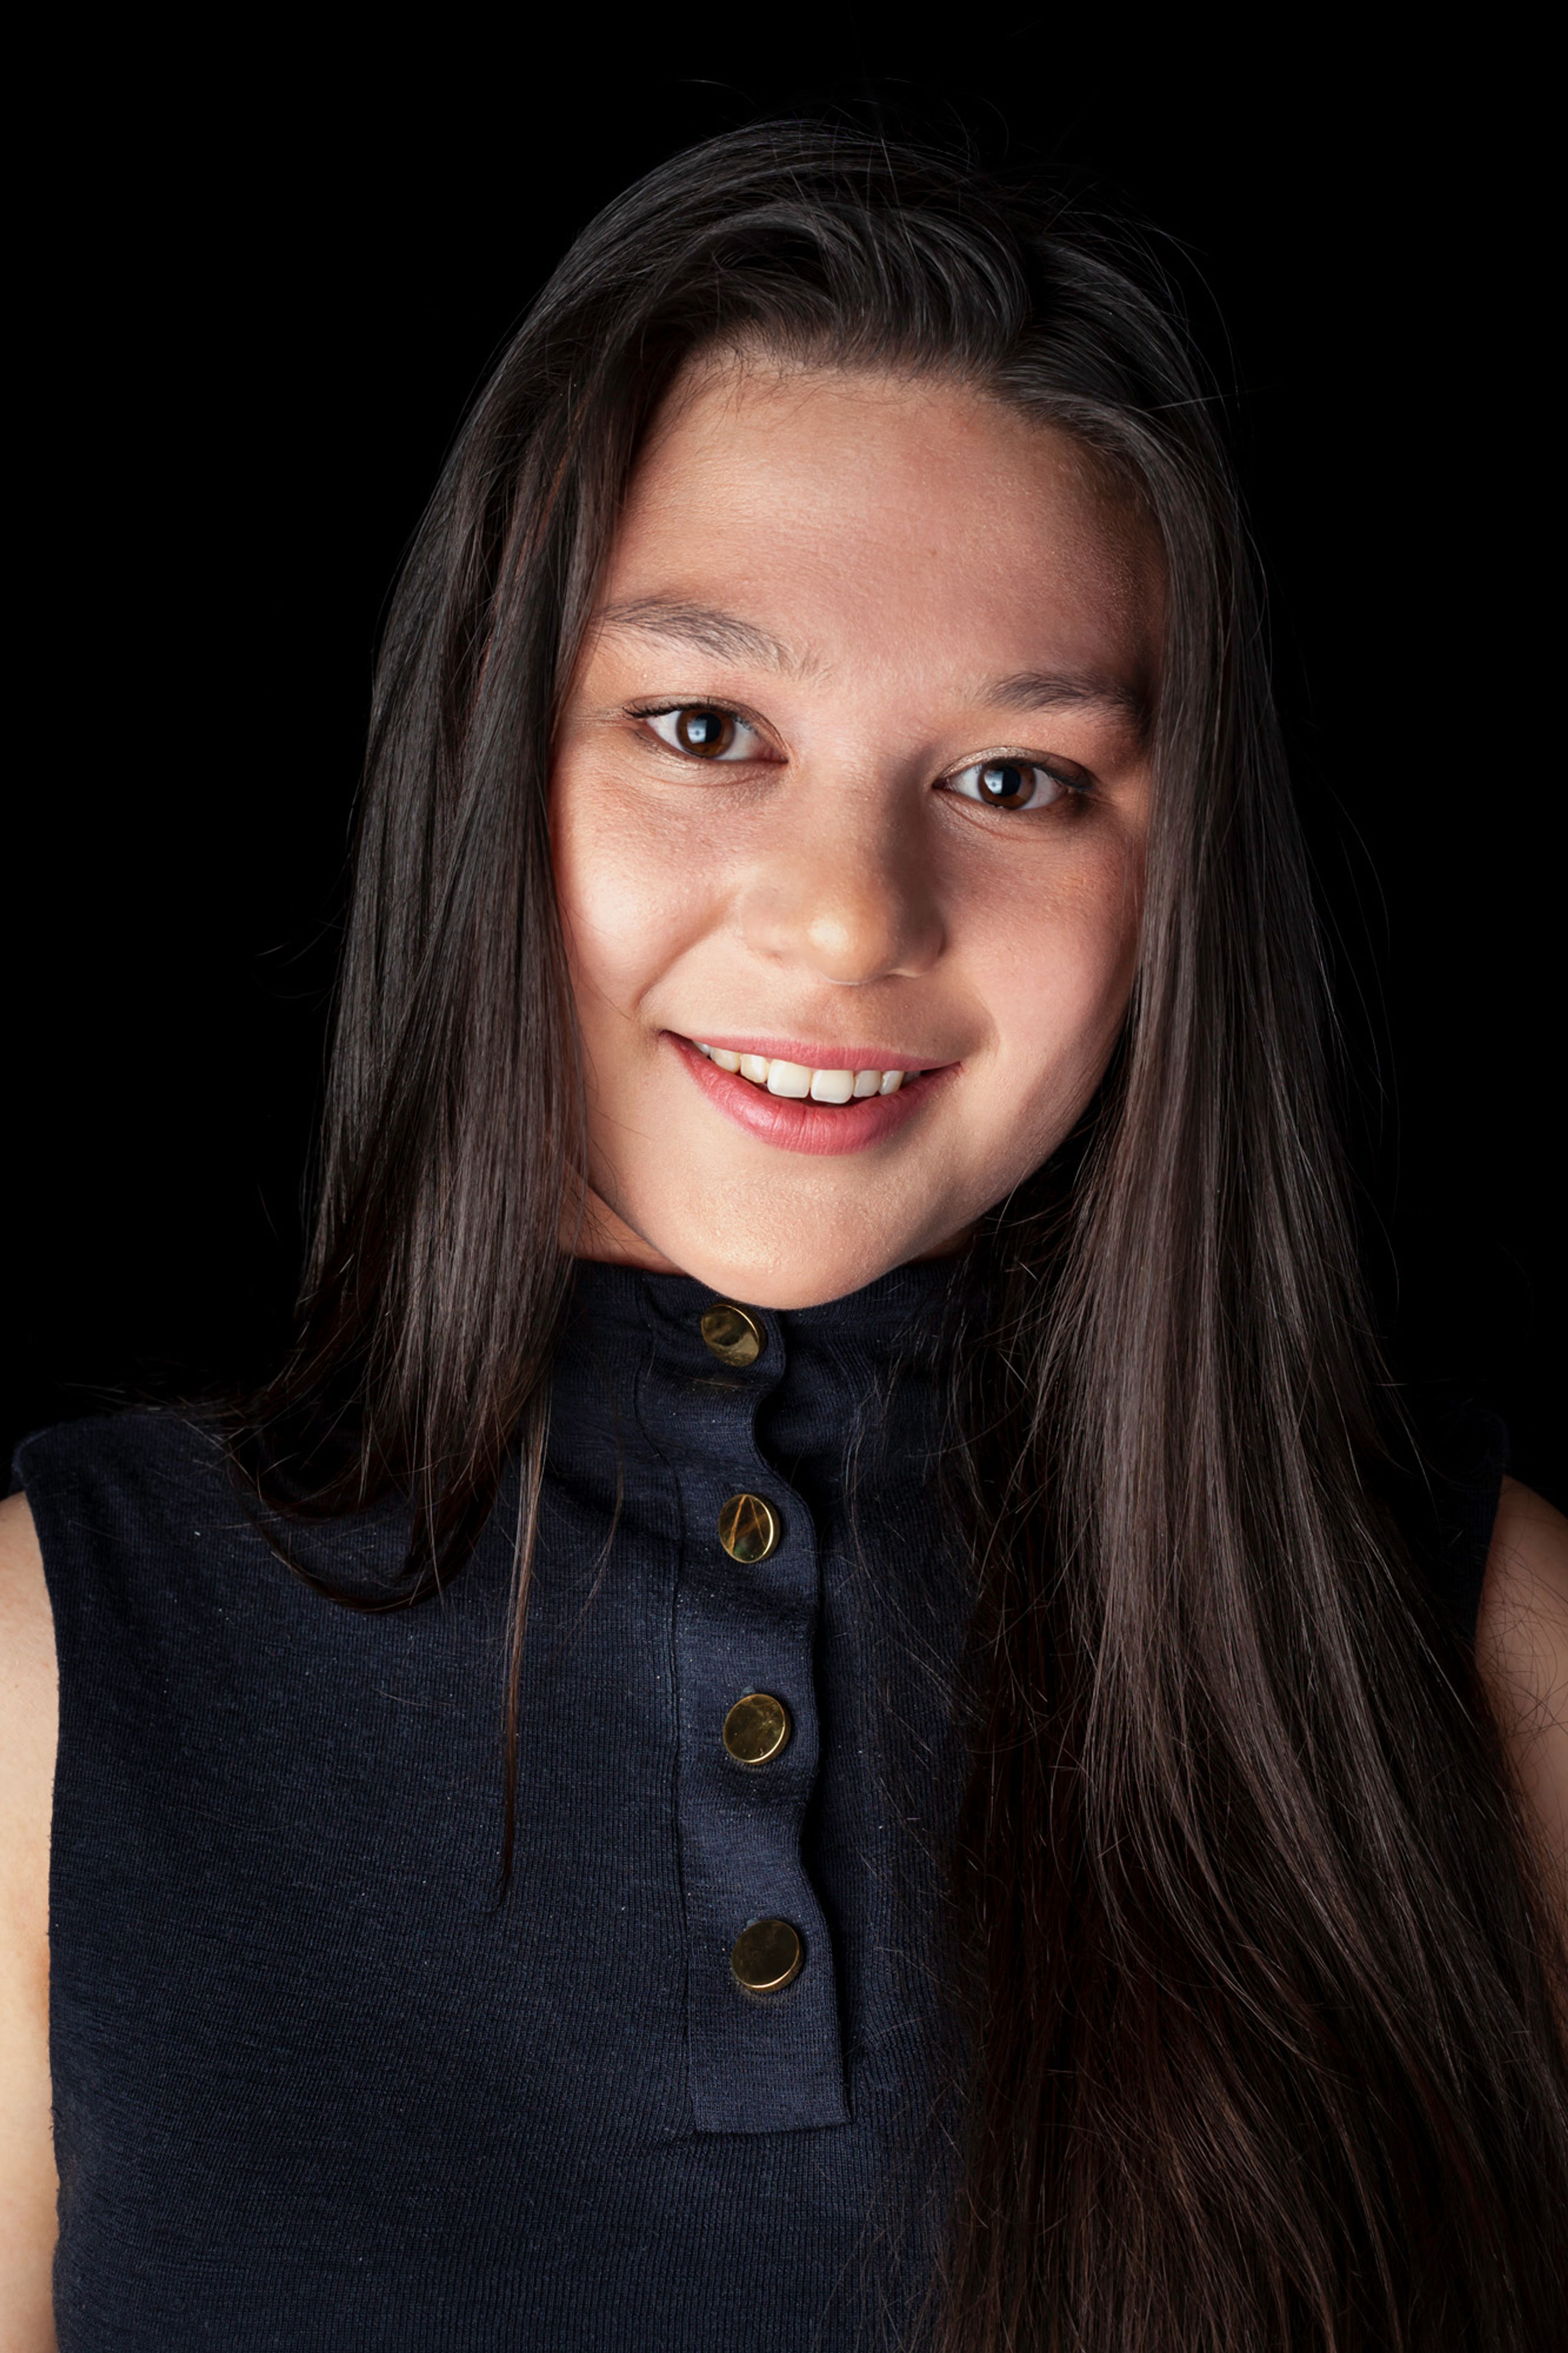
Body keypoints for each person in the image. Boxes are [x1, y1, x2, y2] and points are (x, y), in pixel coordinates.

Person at [2, 125, 1565, 2353]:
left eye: (1017, 779)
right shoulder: (55, 1668)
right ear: (490, 760)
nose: (850, 918)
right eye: (705, 727)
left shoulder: (1485, 1651)